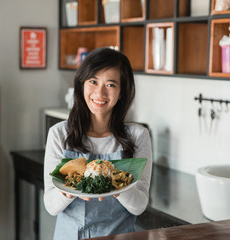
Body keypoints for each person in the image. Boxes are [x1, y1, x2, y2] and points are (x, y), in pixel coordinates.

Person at [43, 47, 152, 239]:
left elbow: (139, 206)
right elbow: (51, 206)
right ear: (82, 84)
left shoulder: (138, 136)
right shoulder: (59, 134)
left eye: (110, 84)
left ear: (121, 92)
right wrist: (72, 190)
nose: (99, 92)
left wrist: (115, 185)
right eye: (93, 81)